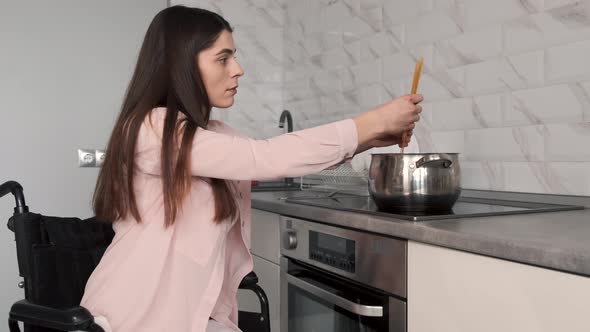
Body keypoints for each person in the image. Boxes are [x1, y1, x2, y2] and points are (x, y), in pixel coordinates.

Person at [80, 5, 423, 332]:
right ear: (181, 66)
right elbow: (265, 157)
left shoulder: (209, 134)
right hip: (134, 317)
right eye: (223, 58)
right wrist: (373, 121)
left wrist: (369, 139)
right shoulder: (154, 129)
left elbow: (268, 158)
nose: (238, 69)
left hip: (186, 317)